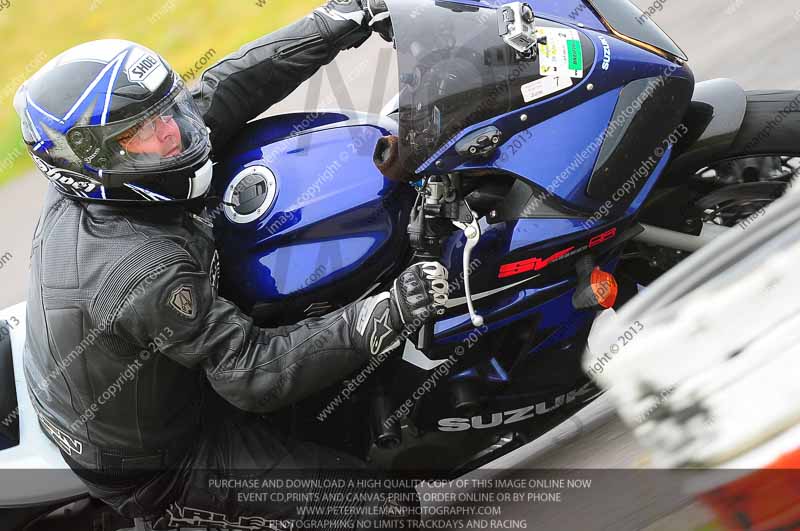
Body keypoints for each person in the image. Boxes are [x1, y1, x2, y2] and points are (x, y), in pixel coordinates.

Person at [13, 0, 447, 528]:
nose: (170, 132)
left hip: (157, 372)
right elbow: (251, 371)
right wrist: (381, 314)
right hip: (167, 460)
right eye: (139, 132)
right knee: (382, 511)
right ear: (97, 160)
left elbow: (224, 89)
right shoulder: (139, 267)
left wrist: (336, 21)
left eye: (164, 110)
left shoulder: (126, 167)